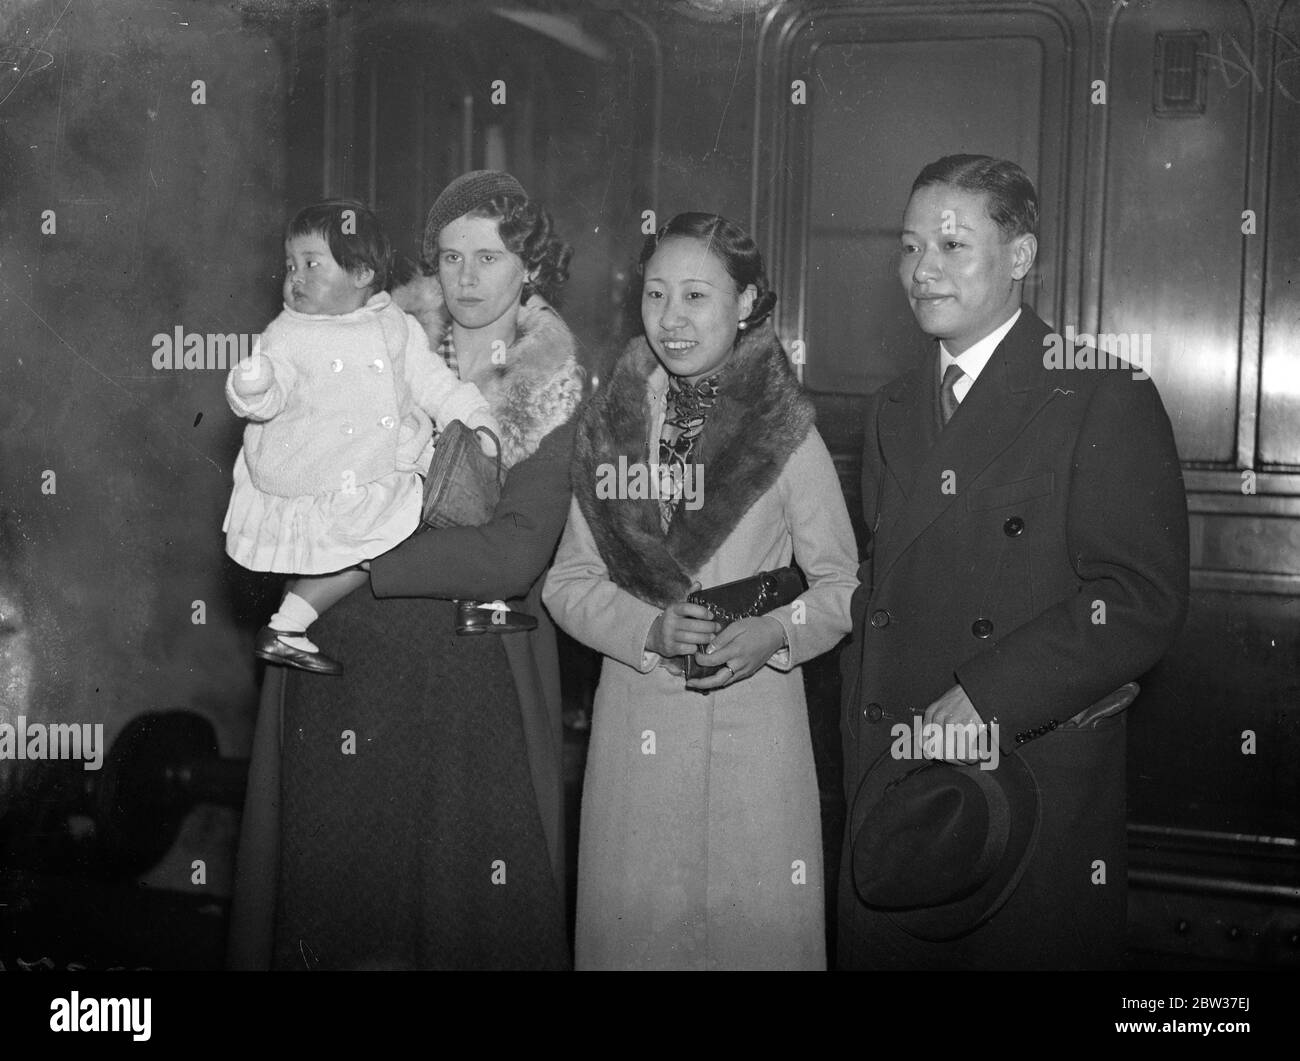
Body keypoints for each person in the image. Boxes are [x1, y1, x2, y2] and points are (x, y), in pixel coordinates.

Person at [838, 155, 1189, 970]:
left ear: (1021, 256)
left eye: (952, 245)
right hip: (894, 782)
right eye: (909, 247)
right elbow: (879, 585)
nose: (922, 271)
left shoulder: (1102, 392)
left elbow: (1139, 598)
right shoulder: (891, 406)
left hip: (1022, 782)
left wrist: (991, 693)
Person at [227, 171, 583, 970]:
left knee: (455, 917)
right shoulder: (373, 336)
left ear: (530, 267)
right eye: (451, 257)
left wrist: (354, 555)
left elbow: (512, 553)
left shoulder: (550, 388)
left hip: (465, 684)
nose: (467, 278)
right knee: (338, 911)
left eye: (489, 257)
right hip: (343, 665)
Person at [543, 212, 858, 970]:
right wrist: (646, 630)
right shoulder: (613, 427)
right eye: (655, 295)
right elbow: (567, 581)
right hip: (635, 734)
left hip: (756, 731)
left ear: (745, 303)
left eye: (695, 296)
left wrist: (776, 633)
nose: (671, 319)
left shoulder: (786, 430)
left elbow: (842, 585)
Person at [223, 199, 500, 676]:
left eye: (311, 264)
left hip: (380, 463)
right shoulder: (287, 334)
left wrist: (474, 415)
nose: (295, 277)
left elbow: (432, 383)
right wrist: (254, 385)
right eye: (290, 265)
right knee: (371, 544)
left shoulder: (395, 325)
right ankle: (288, 625)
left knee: (447, 504)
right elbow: (269, 395)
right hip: (324, 473)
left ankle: (473, 597)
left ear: (361, 273)